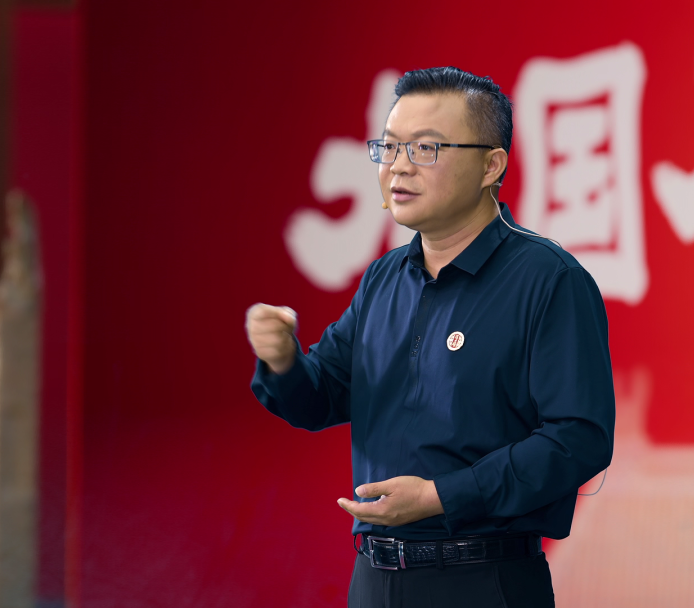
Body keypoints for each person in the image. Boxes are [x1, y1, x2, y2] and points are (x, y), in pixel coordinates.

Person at [247, 66, 615, 608]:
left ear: (491, 165)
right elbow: (320, 396)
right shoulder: (383, 279)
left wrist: (440, 497)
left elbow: (578, 439)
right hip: (374, 579)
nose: (398, 166)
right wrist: (283, 361)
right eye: (389, 147)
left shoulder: (548, 279)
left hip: (484, 579)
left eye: (425, 149)